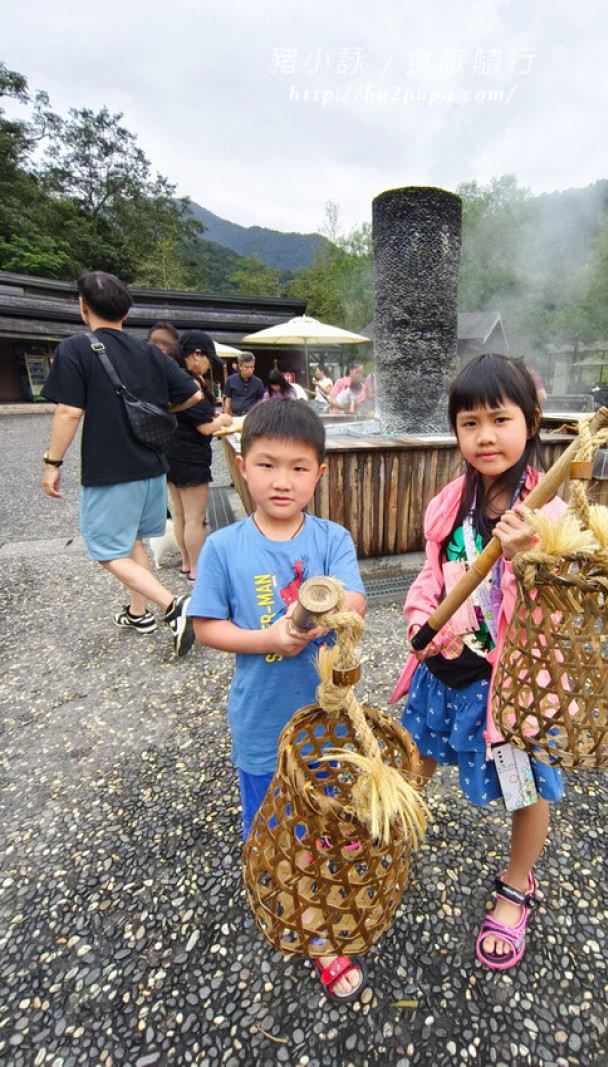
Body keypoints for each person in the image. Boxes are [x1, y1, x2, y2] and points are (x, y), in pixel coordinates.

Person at [389, 353, 567, 971]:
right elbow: (430, 574)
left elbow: (562, 606)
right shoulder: (449, 501)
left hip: (509, 691)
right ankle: (385, 831)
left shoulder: (549, 513)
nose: (485, 436)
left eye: (500, 418)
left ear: (532, 419)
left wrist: (531, 557)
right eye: (470, 423)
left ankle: (518, 884)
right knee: (415, 759)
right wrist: (419, 618)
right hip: (444, 674)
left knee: (524, 788)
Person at [189, 399, 368, 1000]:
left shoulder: (331, 537)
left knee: (325, 807)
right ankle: (304, 917)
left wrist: (326, 618)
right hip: (262, 720)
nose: (282, 480)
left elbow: (358, 600)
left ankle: (318, 870)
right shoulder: (223, 547)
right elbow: (206, 626)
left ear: (320, 474)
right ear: (242, 467)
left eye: (298, 468)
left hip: (328, 721)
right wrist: (270, 637)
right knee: (272, 821)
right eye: (267, 465)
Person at [40, 271, 202, 655]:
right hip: (151, 466)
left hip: (110, 469)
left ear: (82, 307)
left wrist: (52, 462)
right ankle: (138, 611)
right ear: (126, 311)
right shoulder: (148, 352)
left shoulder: (76, 349)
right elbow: (193, 394)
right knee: (131, 540)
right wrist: (158, 408)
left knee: (105, 549)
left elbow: (67, 412)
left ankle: (174, 606)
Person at [164, 331, 233, 580]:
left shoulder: (173, 377)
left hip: (170, 453)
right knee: (195, 517)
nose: (208, 365)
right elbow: (204, 427)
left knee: (180, 513)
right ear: (195, 355)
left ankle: (186, 562)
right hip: (190, 456)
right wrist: (223, 420)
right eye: (208, 359)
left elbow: (190, 417)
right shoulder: (189, 383)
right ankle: (198, 570)